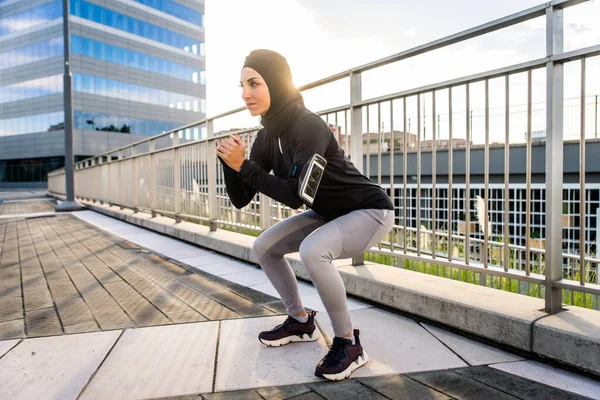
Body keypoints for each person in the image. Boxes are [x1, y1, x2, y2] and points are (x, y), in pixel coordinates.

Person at [216, 49, 394, 381]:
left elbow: (298, 196)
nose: (245, 94)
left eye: (254, 83)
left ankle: (348, 343)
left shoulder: (307, 125)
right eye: (241, 85)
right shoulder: (267, 136)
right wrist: (230, 164)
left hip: (370, 211)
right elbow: (241, 198)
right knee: (264, 247)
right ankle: (300, 320)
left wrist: (243, 165)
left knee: (314, 250)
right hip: (329, 214)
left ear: (275, 83)